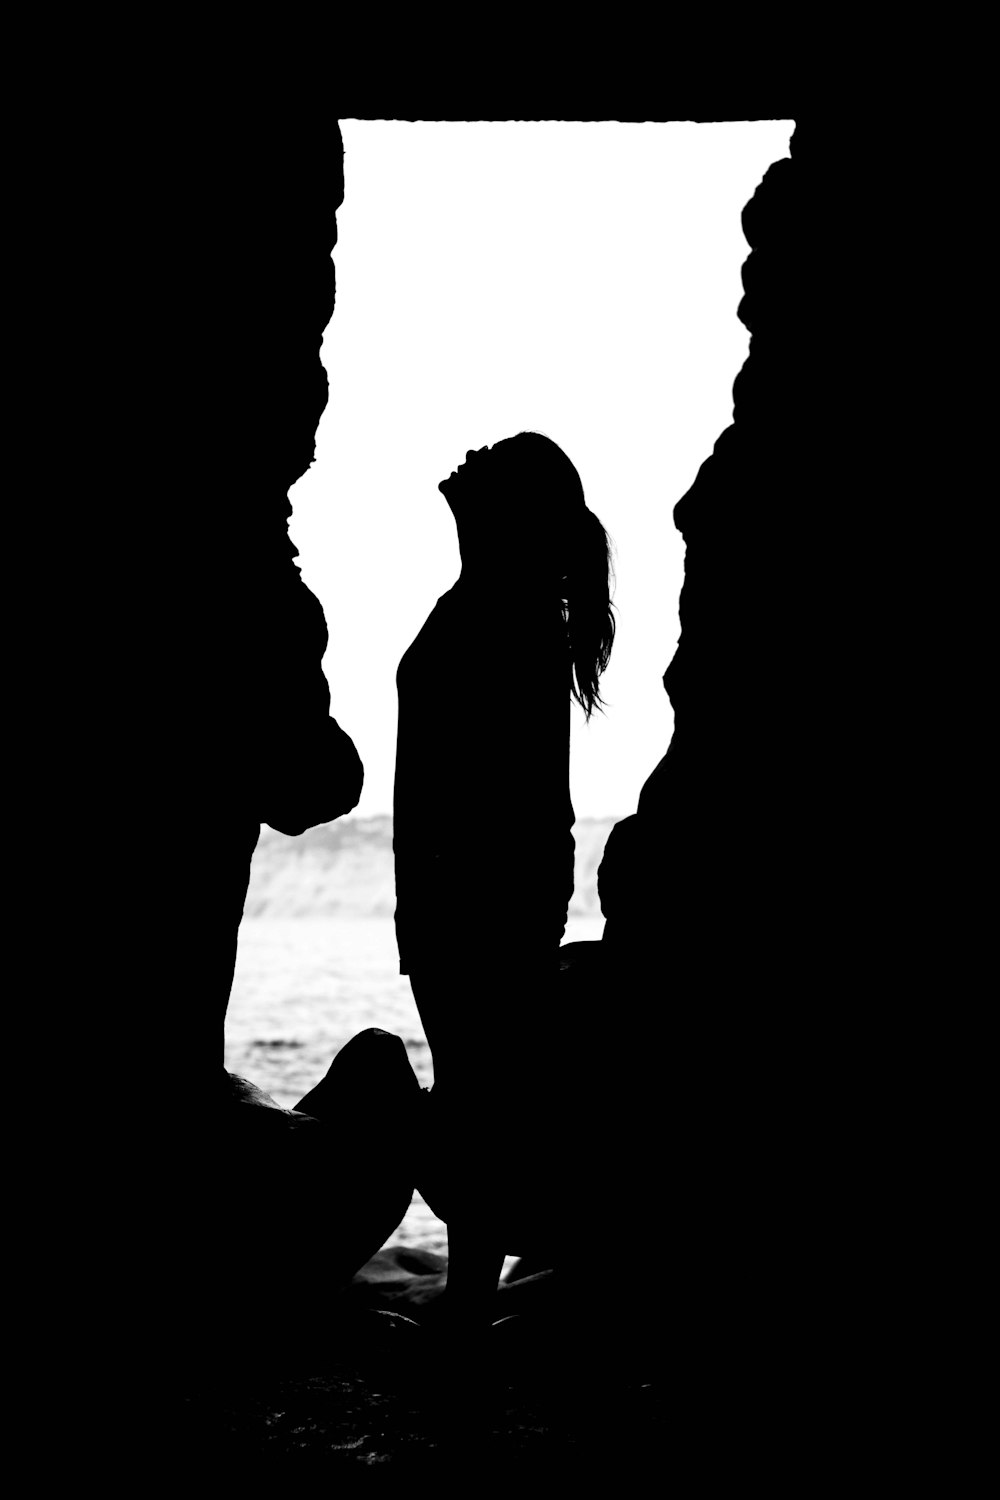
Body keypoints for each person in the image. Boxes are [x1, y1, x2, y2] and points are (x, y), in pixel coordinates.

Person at [393, 431, 615, 1328]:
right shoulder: (495, 604)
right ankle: (471, 1298)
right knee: (473, 1098)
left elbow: (535, 801)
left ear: (508, 511)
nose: (464, 458)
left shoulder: (512, 615)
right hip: (459, 907)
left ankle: (469, 1308)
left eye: (486, 459)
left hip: (479, 909)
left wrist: (518, 915)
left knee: (476, 1104)